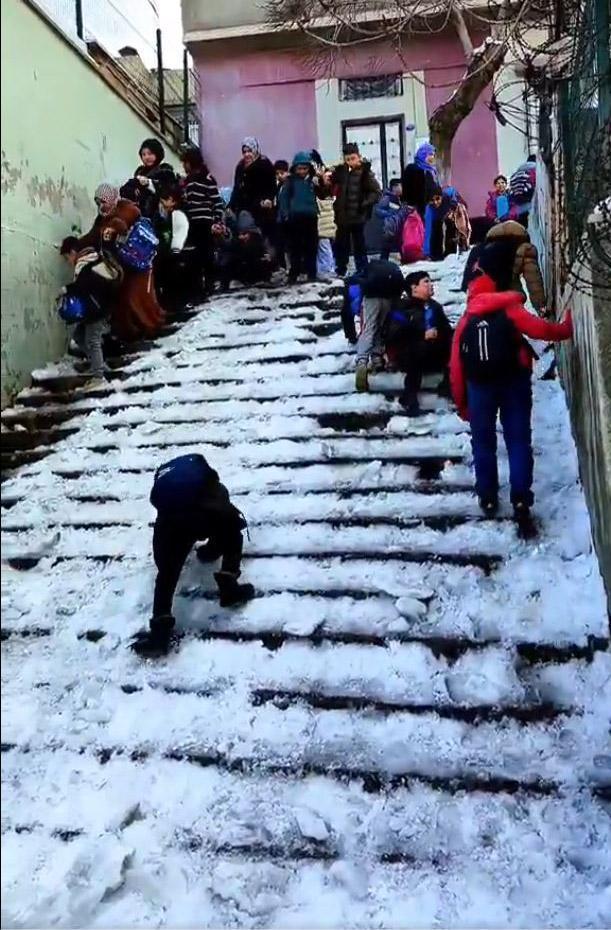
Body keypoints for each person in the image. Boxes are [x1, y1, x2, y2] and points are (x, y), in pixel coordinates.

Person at [450, 247, 573, 532]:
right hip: (514, 382)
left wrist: (462, 402)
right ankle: (520, 498)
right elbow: (542, 330)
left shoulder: (467, 318)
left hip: (479, 387)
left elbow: (455, 366)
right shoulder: (509, 308)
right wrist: (566, 328)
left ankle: (487, 496)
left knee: (483, 443)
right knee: (518, 440)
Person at [135, 453, 255, 657]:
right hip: (207, 517)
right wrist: (217, 548)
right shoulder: (214, 490)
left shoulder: (168, 503)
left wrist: (166, 563)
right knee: (232, 533)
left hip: (174, 528)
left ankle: (160, 631)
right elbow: (230, 521)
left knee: (167, 575)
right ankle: (229, 587)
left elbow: (162, 560)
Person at [385, 270, 453, 416]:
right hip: (410, 355)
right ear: (414, 287)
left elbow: (447, 330)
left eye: (430, 281)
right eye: (426, 282)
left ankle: (447, 388)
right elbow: (393, 335)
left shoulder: (435, 307)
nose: (431, 285)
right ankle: (409, 399)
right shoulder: (402, 308)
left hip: (434, 352)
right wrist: (422, 334)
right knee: (418, 349)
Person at [59, 234, 122, 387]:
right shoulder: (93, 259)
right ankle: (98, 365)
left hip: (97, 309)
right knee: (79, 336)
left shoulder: (87, 263)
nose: (68, 261)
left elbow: (84, 286)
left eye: (67, 257)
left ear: (73, 252)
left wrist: (66, 289)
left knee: (92, 340)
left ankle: (98, 376)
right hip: (96, 307)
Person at [461, 220, 546, 315]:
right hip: (504, 296)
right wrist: (540, 305)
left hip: (478, 298)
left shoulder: (478, 249)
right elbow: (532, 277)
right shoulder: (524, 247)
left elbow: (467, 277)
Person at [180, 147, 225, 299]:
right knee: (196, 256)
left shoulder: (207, 179)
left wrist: (217, 220)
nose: (184, 166)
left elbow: (217, 202)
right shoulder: (187, 182)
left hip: (205, 223)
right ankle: (199, 287)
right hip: (192, 223)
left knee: (207, 255)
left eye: (185, 162)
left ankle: (210, 284)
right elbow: (187, 202)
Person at [354, 259, 405, 392]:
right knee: (380, 327)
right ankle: (377, 360)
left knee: (368, 329)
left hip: (371, 297)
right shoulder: (391, 270)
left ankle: (362, 362)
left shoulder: (366, 271)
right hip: (388, 297)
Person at [331, 143, 381, 277]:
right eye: (347, 159)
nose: (350, 162)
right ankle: (341, 268)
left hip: (358, 216)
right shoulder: (341, 172)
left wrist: (364, 203)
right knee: (342, 244)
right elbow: (332, 184)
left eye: (353, 158)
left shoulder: (365, 173)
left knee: (359, 244)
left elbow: (376, 192)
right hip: (343, 216)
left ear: (359, 157)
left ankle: (362, 268)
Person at [277, 151, 320, 284]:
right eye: (299, 169)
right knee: (295, 247)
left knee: (311, 247)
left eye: (305, 168)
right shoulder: (291, 182)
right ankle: (294, 274)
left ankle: (311, 273)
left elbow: (323, 193)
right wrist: (285, 214)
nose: (302, 171)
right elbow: (284, 198)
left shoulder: (313, 181)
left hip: (311, 217)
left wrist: (320, 182)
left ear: (309, 168)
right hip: (295, 218)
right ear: (294, 168)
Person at [229, 137, 277, 242]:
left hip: (261, 208)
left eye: (249, 151)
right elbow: (237, 187)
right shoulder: (240, 166)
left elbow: (272, 186)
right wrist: (231, 206)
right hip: (243, 208)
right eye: (244, 152)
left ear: (255, 150)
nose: (247, 154)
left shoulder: (264, 164)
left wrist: (268, 199)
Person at [153, 185, 190, 312]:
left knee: (173, 274)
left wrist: (175, 250)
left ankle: (176, 304)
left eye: (166, 200)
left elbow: (180, 234)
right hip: (162, 252)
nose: (163, 203)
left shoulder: (177, 215)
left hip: (173, 253)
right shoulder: (159, 215)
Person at [120, 139, 176, 218]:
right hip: (140, 216)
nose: (147, 157)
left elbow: (166, 192)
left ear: (157, 154)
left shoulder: (165, 173)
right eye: (144, 154)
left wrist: (148, 183)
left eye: (150, 154)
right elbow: (123, 190)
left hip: (158, 216)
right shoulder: (139, 173)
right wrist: (133, 191)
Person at [218, 210, 273, 290]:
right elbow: (227, 253)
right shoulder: (235, 243)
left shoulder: (259, 242)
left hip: (256, 271)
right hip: (241, 272)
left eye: (244, 234)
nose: (242, 237)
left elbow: (268, 255)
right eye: (240, 234)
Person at [401, 142, 440, 219]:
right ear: (423, 154)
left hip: (429, 208)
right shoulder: (413, 169)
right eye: (430, 154)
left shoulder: (431, 171)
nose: (432, 157)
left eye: (433, 155)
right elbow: (415, 191)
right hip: (417, 210)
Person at [374, 178, 409, 260]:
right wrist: (389, 215)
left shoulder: (400, 199)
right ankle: (383, 262)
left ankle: (404, 261)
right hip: (389, 228)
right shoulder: (387, 198)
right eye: (401, 186)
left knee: (401, 246)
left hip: (400, 227)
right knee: (386, 248)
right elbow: (378, 210)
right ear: (394, 187)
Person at [317, 171, 337, 279]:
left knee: (325, 250)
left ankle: (326, 270)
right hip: (328, 226)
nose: (329, 178)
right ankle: (328, 269)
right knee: (326, 250)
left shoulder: (320, 191)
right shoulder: (334, 192)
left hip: (325, 227)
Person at [509, 155, 537, 228]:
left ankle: (522, 228)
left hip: (517, 199)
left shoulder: (517, 172)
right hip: (528, 195)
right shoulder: (535, 168)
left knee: (522, 217)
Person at [273, 159, 290, 268]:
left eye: (282, 173)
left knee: (289, 245)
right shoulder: (279, 186)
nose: (279, 176)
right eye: (277, 174)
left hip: (288, 220)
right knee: (282, 245)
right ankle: (285, 266)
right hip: (280, 220)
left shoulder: (290, 185)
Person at [423, 188, 444, 260]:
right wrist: (427, 252)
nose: (435, 202)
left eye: (437, 199)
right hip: (434, 251)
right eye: (432, 200)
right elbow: (428, 231)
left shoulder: (448, 204)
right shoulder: (429, 209)